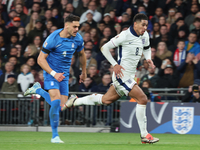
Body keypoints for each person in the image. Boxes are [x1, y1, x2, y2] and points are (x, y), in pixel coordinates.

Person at [62, 13, 159, 144]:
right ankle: (144, 135)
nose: (145, 28)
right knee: (142, 99)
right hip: (121, 76)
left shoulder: (145, 35)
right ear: (135, 24)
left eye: (146, 25)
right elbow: (104, 48)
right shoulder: (125, 35)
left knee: (105, 100)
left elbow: (147, 48)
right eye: (143, 25)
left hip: (130, 76)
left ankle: (75, 101)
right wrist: (115, 64)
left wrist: (148, 58)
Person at [24, 14, 87, 143]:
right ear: (67, 25)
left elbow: (82, 54)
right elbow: (40, 60)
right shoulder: (53, 38)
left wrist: (84, 71)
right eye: (74, 27)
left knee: (61, 107)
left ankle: (38, 90)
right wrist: (53, 74)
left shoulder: (78, 39)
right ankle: (55, 136)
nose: (77, 29)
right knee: (56, 100)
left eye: (78, 27)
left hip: (64, 76)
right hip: (51, 73)